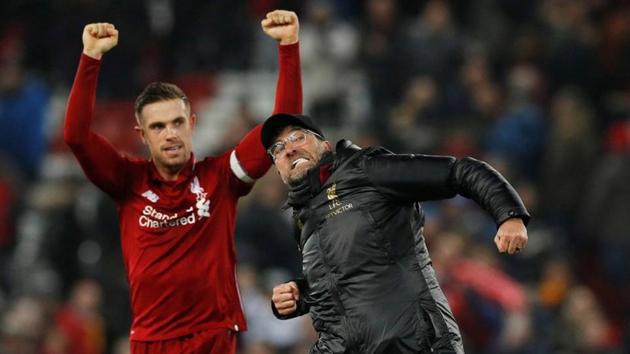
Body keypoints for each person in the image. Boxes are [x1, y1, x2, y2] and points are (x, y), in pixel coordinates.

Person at [63, 10, 302, 354]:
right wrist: (90, 58)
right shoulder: (126, 180)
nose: (170, 134)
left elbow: (281, 129)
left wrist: (288, 47)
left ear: (192, 123)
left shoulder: (221, 177)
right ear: (141, 135)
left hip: (212, 339)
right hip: (150, 341)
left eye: (177, 123)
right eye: (158, 127)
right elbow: (75, 136)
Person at [261, 113, 530, 353]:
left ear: (326, 145)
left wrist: (509, 214)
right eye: (278, 148)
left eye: (298, 137)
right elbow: (342, 279)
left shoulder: (366, 169)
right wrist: (298, 294)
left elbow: (460, 171)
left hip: (411, 342)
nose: (289, 149)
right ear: (278, 170)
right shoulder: (302, 218)